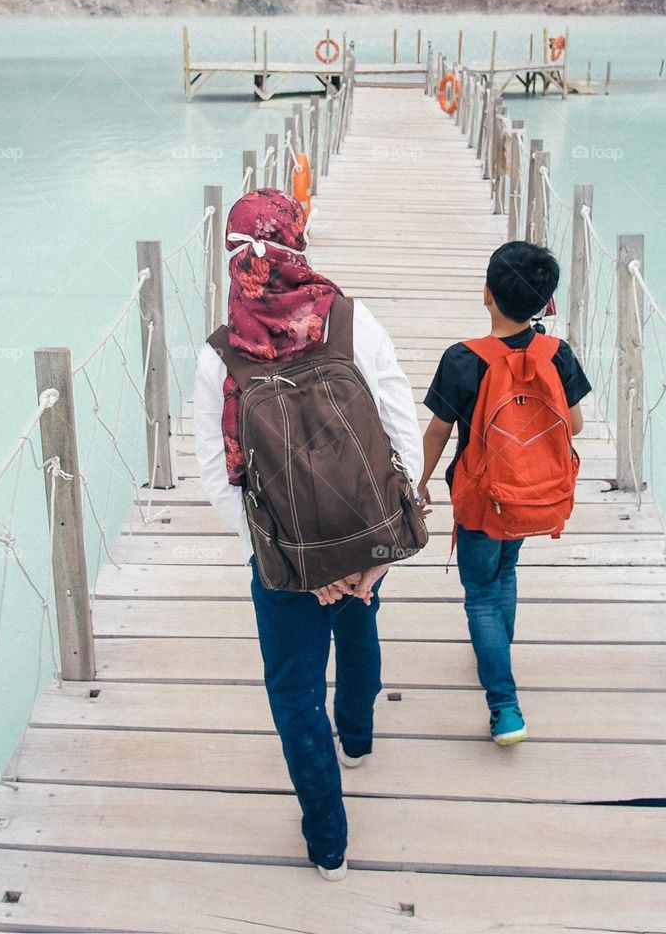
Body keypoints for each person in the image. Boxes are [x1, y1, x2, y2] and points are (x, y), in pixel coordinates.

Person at [193, 188, 423, 880]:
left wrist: (289, 561)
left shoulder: (218, 357)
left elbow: (216, 477)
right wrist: (383, 545)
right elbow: (399, 431)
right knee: (359, 627)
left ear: (233, 260)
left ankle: (329, 841)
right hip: (363, 531)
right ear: (300, 246)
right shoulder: (354, 322)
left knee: (294, 693)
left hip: (280, 557)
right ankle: (357, 737)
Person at [419, 241, 591, 745]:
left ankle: (505, 706)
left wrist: (420, 481)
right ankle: (497, 650)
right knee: (506, 571)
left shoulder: (461, 359)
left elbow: (437, 432)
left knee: (480, 594)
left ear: (486, 294)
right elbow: (575, 426)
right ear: (543, 303)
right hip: (532, 494)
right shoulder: (558, 355)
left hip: (480, 498)